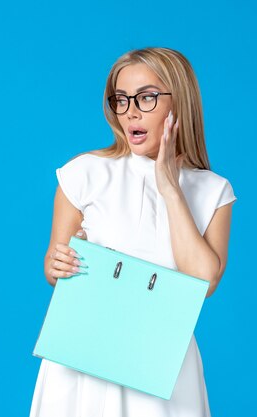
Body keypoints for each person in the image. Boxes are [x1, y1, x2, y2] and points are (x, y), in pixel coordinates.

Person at [29, 47, 236, 416]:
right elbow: (53, 267)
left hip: (161, 365)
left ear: (180, 101)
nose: (131, 112)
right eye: (121, 100)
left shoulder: (213, 191)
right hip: (82, 361)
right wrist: (58, 264)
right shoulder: (83, 173)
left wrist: (170, 188)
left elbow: (203, 282)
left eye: (147, 97)